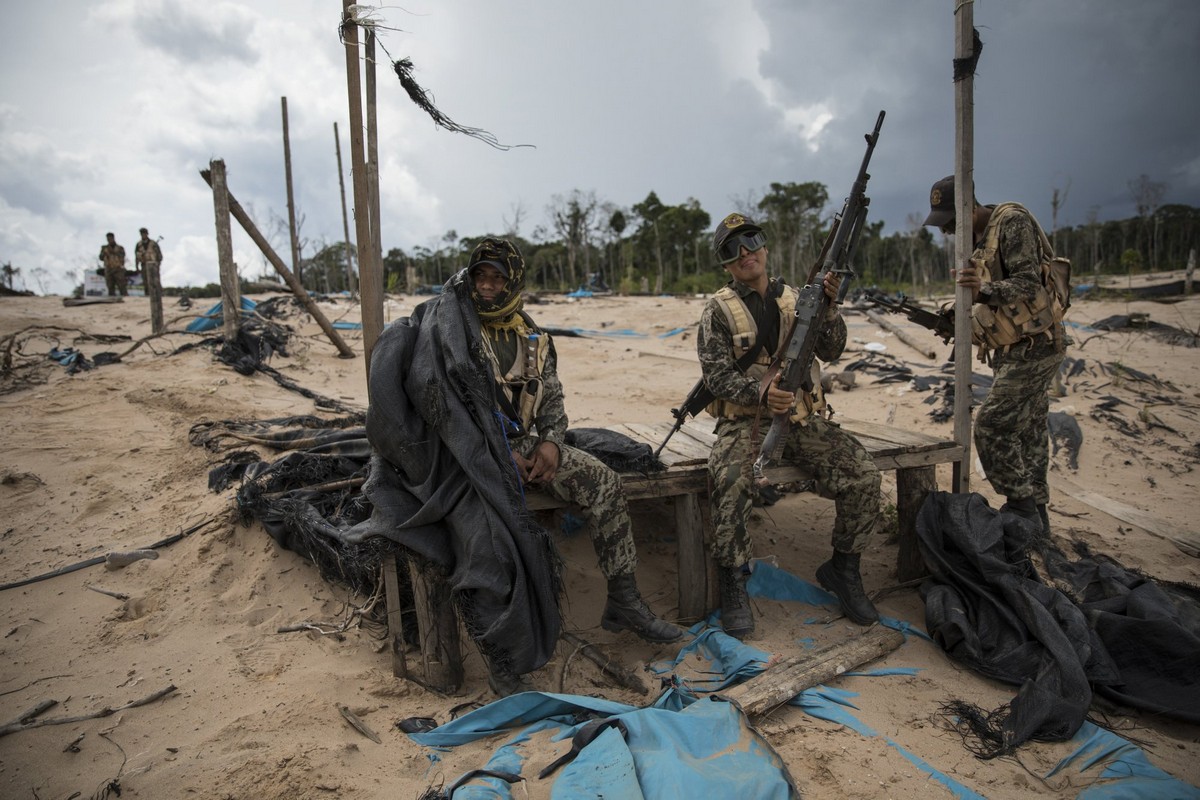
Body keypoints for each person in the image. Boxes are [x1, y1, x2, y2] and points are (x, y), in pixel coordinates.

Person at [358, 237, 682, 697]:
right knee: (488, 540)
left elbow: (552, 397)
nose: (488, 287)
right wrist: (493, 450)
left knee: (605, 484)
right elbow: (439, 404)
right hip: (469, 456)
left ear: (513, 282)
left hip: (530, 446)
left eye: (498, 278)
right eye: (480, 277)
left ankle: (624, 599)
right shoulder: (450, 331)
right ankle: (503, 658)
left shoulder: (532, 336)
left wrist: (550, 443)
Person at [697, 213, 883, 637]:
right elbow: (716, 377)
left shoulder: (799, 298)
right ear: (725, 264)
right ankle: (733, 582)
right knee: (729, 480)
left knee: (863, 476)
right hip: (747, 423)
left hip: (801, 420)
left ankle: (843, 568)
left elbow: (833, 350)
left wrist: (831, 309)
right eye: (733, 250)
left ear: (765, 246)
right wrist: (759, 394)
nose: (746, 254)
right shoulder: (718, 310)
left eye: (751, 242)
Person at [922, 176, 1069, 536]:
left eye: (951, 223)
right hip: (1010, 349)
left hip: (1036, 346)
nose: (948, 232)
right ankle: (1035, 514)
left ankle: (1020, 504)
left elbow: (1029, 283)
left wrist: (983, 290)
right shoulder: (977, 243)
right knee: (1030, 431)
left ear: (969, 208)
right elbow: (990, 307)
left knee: (991, 426)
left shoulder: (1010, 222)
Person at [136, 227, 165, 331]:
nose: (143, 235)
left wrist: (157, 263)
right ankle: (147, 294)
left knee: (155, 283)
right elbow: (136, 256)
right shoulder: (139, 244)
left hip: (154, 265)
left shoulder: (153, 243)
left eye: (144, 233)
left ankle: (158, 294)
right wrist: (137, 267)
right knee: (145, 282)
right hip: (144, 265)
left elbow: (159, 255)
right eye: (141, 233)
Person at [99, 232, 127, 297]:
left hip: (118, 269)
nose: (109, 240)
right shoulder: (104, 248)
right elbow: (101, 258)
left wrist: (113, 252)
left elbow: (122, 256)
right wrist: (104, 253)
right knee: (110, 287)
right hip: (108, 269)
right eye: (108, 239)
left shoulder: (120, 248)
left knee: (122, 286)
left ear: (113, 238)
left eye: (110, 238)